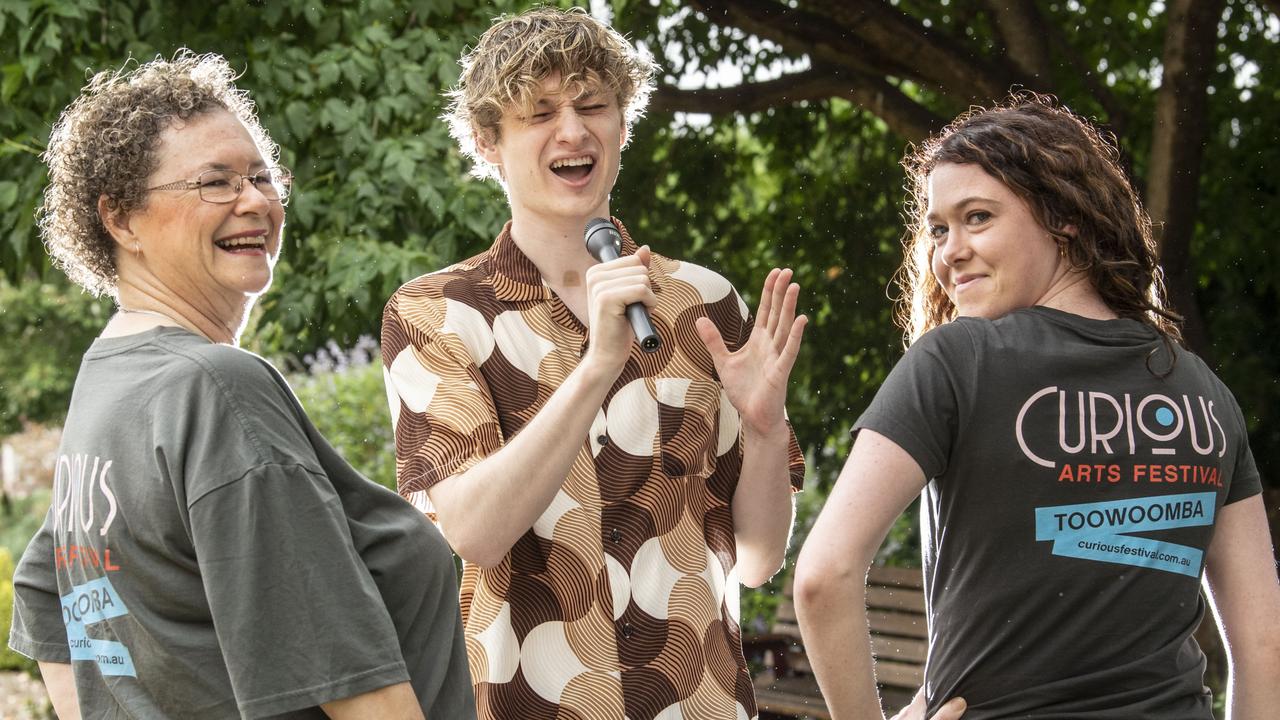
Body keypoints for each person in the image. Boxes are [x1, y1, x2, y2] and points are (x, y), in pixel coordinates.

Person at [7, 52, 476, 719]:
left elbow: (47, 596)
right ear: (121, 220)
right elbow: (356, 687)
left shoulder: (108, 380)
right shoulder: (215, 389)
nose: (254, 201)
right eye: (215, 183)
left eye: (261, 177)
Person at [794, 93, 1280, 719]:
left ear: (1064, 217)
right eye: (939, 229)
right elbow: (1264, 644)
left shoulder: (957, 361)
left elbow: (822, 577)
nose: (948, 251)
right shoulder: (1204, 394)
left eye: (977, 218)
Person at [380, 7, 807, 719]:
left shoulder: (702, 304)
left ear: (621, 124)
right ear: (488, 140)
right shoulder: (434, 314)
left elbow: (759, 560)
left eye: (593, 106)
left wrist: (764, 434)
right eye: (539, 112)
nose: (572, 130)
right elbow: (475, 532)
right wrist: (597, 366)